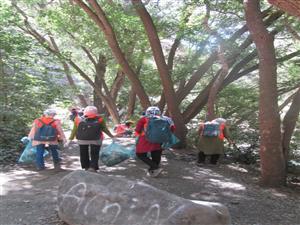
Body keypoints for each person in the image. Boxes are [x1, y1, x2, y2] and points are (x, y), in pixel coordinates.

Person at [69, 106, 114, 172]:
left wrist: (70, 138)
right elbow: (104, 129)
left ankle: (86, 167)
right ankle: (93, 167)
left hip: (82, 139)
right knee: (95, 153)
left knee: (83, 153)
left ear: (85, 112)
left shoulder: (78, 119)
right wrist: (112, 136)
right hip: (96, 139)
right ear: (96, 112)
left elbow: (74, 130)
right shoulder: (100, 119)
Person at [135, 106, 175, 177]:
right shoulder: (166, 119)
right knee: (156, 154)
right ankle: (153, 170)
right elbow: (172, 129)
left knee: (140, 154)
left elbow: (137, 130)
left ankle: (155, 167)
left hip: (145, 139)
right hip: (160, 139)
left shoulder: (144, 119)